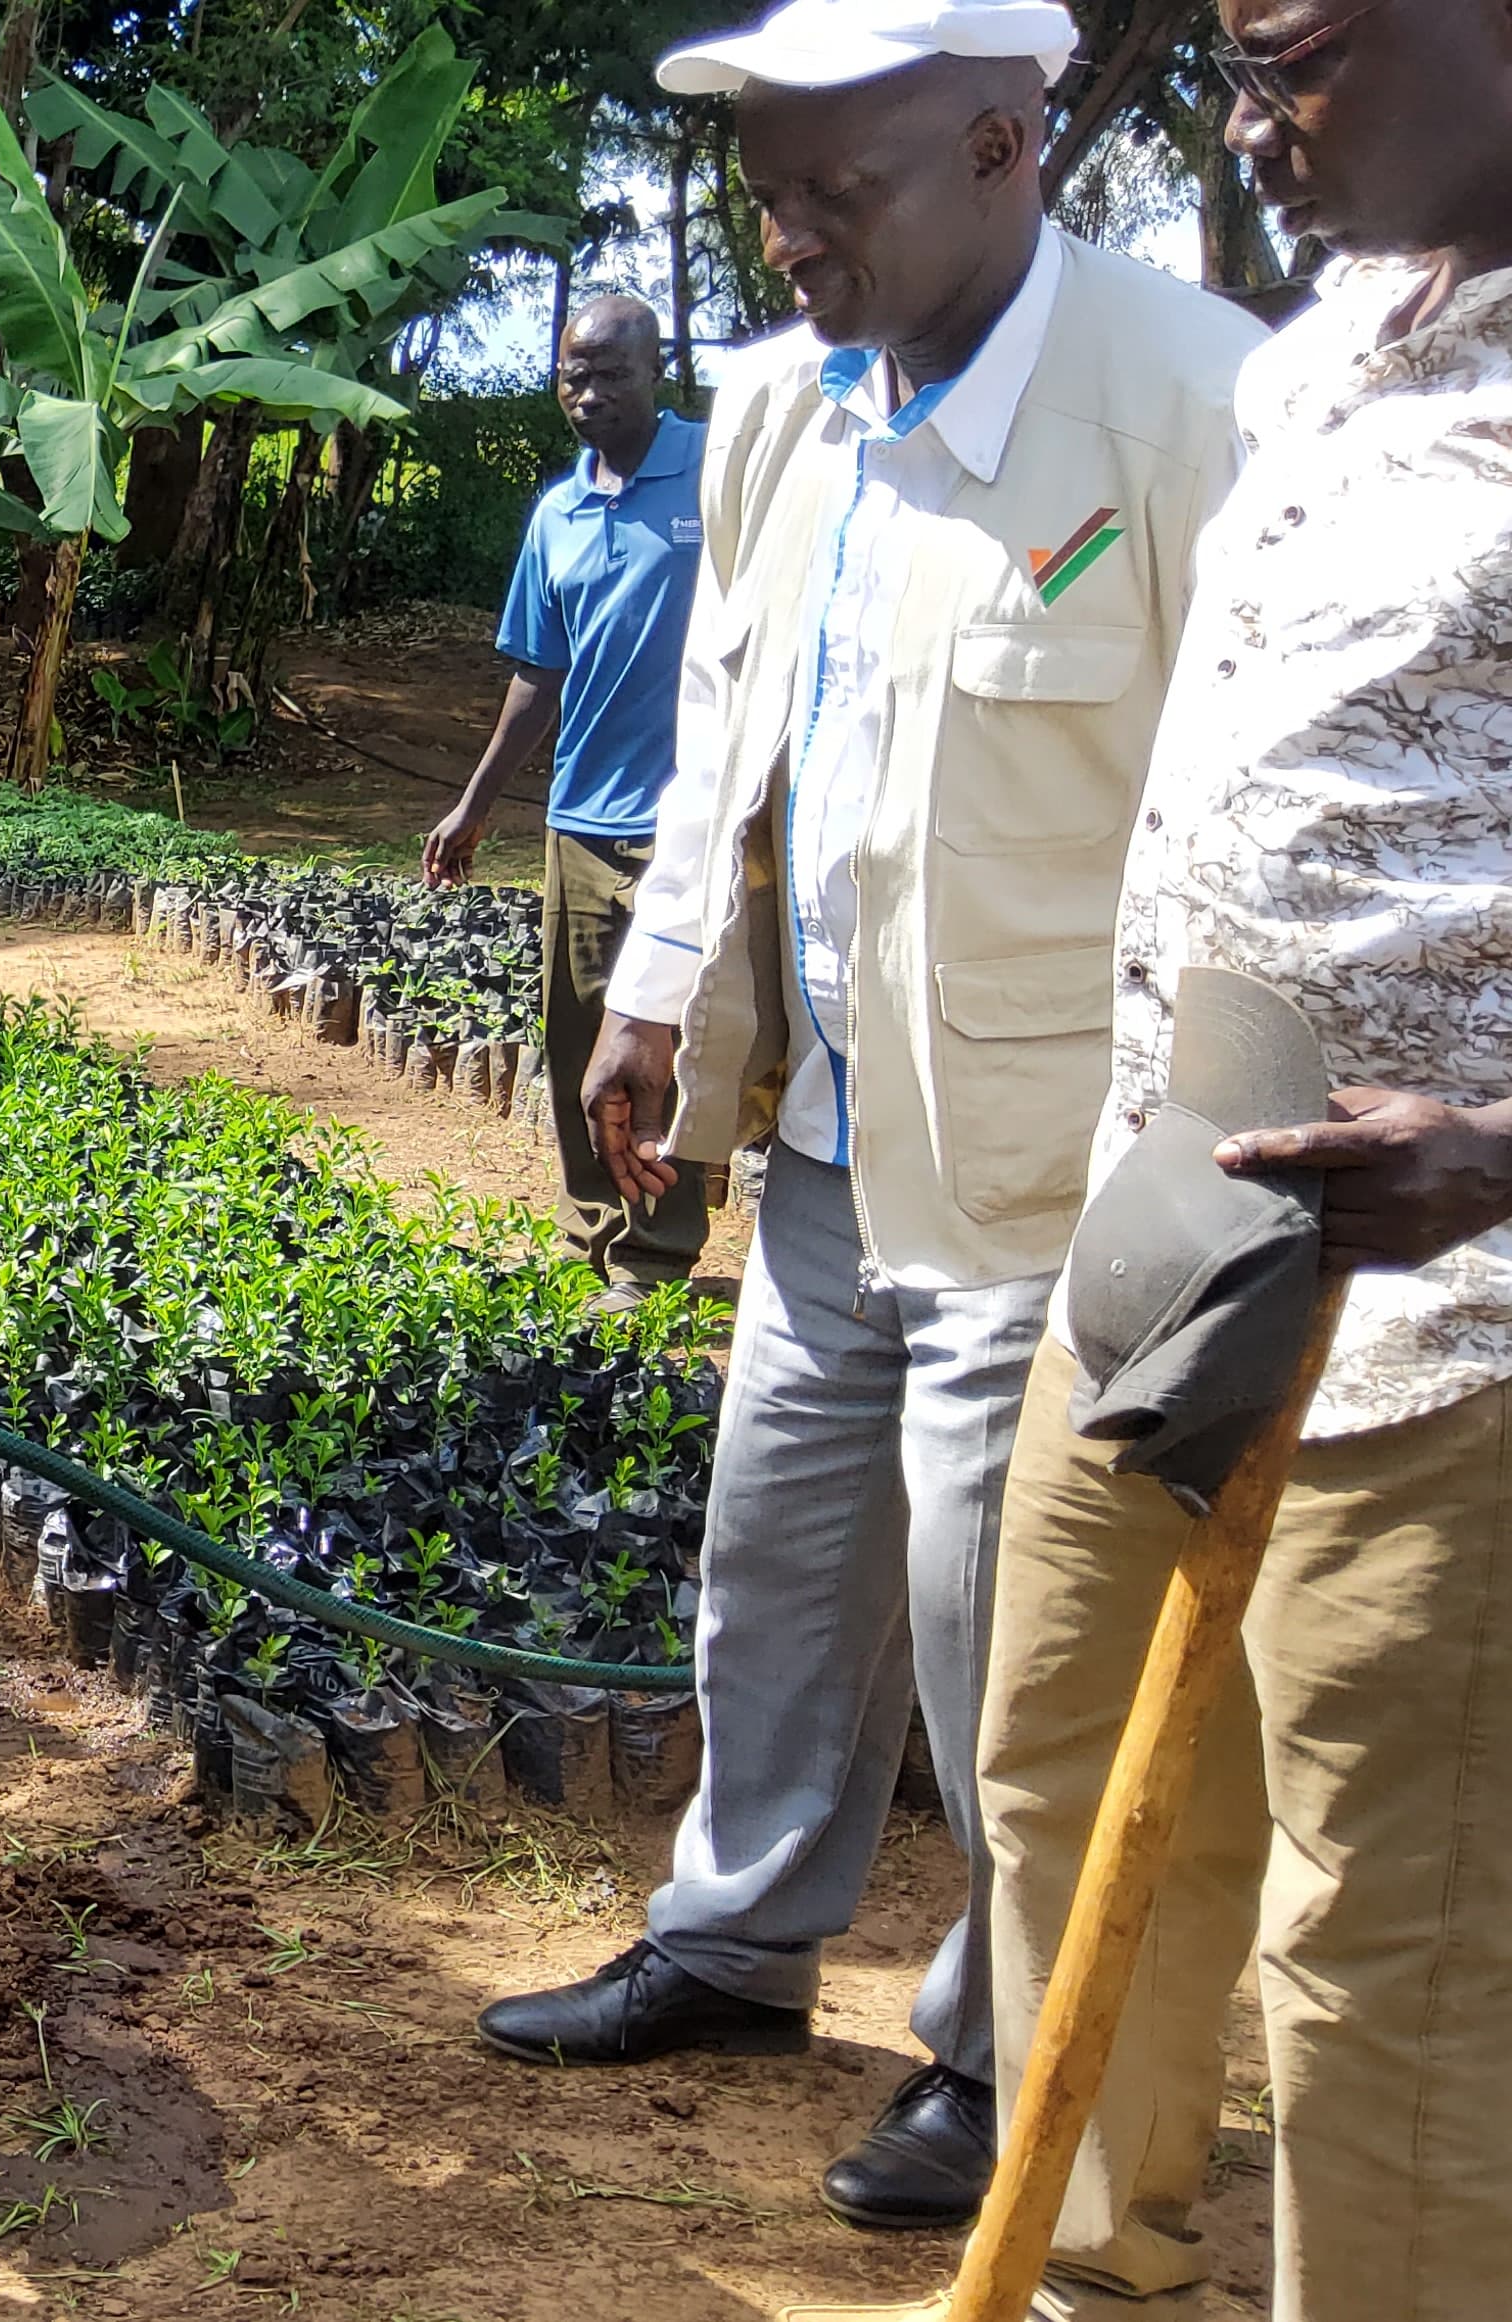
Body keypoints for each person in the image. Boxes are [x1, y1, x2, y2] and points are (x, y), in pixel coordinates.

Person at [473, 0, 1263, 2237]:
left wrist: (1186, 1185)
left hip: (1052, 1174)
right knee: (775, 1565)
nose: (788, 237)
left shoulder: (1188, 405)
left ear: (1012, 145)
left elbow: (1246, 826)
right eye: (767, 192)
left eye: (841, 191)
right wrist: (659, 1003)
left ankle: (1013, 2045)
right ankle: (731, 1939)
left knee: (997, 1639)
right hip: (827, 1129)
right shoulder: (783, 413)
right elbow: (736, 716)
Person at [805, 4, 1512, 2316]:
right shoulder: (1312, 355)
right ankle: (1078, 2260)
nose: (1230, 123)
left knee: (1376, 1949)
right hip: (1171, 1225)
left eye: (1285, 58)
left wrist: (1499, 1149)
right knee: (1056, 1777)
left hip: (1445, 1328)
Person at [424, 292, 718, 1301]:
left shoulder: (715, 477)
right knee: (576, 1041)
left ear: (657, 370)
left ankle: (659, 1250)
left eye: (611, 374)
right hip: (582, 820)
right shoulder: (556, 513)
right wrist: (475, 805)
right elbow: (536, 676)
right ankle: (592, 1225)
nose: (588, 395)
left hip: (696, 822)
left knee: (665, 1037)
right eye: (571, 377)